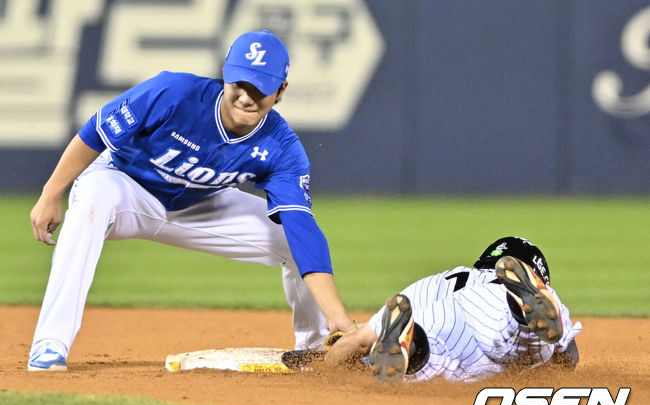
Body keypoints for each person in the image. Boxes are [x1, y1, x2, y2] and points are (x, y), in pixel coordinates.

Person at [28, 30, 356, 372]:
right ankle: (50, 343)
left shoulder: (283, 148)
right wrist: (52, 193)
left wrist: (340, 319)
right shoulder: (174, 92)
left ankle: (318, 347)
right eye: (239, 84)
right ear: (225, 76)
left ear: (281, 90)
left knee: (291, 241)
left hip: (202, 205)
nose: (246, 97)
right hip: (124, 186)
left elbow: (302, 229)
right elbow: (96, 131)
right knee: (91, 205)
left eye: (260, 89)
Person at [322, 236, 582, 383]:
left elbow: (357, 341)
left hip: (438, 318)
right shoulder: (499, 286)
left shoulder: (436, 281)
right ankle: (520, 311)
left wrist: (328, 365)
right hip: (496, 306)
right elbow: (569, 358)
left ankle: (412, 344)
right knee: (530, 343)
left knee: (429, 364)